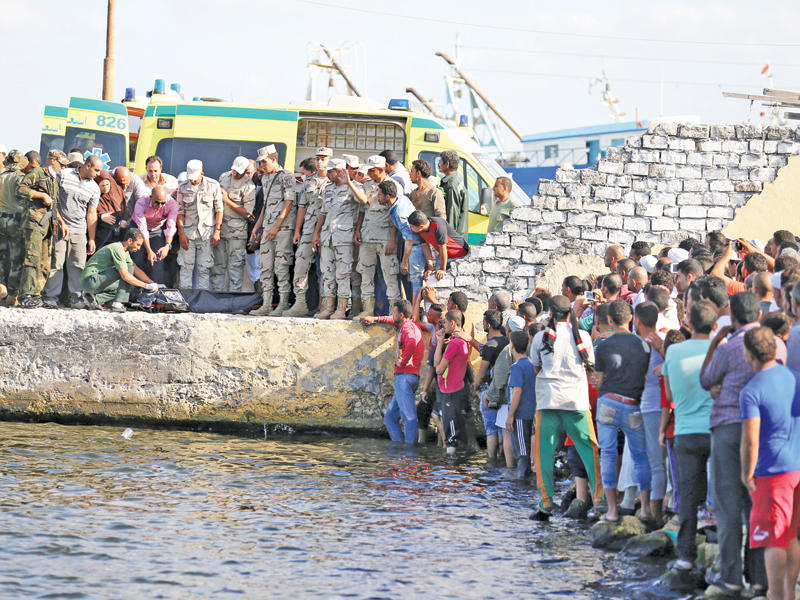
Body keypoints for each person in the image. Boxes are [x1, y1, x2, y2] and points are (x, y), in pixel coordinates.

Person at [700, 292, 784, 594]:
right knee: (757, 505)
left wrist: (715, 341)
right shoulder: (777, 345)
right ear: (759, 315)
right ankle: (760, 578)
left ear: (732, 316)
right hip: (766, 431)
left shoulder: (730, 346)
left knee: (727, 504)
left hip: (729, 427)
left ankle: (732, 576)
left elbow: (706, 380)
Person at [739, 327, 800, 600]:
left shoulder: (752, 390)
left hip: (772, 471)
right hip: (797, 464)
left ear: (748, 353)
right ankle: (789, 593)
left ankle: (775, 595)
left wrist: (747, 472)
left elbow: (750, 439)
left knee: (774, 537)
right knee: (793, 534)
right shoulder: (795, 378)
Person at [529, 295, 600, 521]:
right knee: (590, 452)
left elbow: (536, 367)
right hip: (576, 401)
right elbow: (589, 365)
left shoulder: (540, 337)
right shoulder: (584, 337)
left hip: (548, 401)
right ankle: (600, 501)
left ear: (550, 313)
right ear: (570, 313)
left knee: (544, 456)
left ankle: (546, 503)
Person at [661, 300, 716, 573]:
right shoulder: (720, 350)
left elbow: (669, 396)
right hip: (716, 429)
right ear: (714, 325)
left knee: (687, 493)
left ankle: (686, 556)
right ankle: (718, 546)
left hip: (684, 430)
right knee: (719, 490)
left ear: (690, 323)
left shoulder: (674, 353)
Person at [593, 300, 653, 523]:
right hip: (633, 403)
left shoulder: (604, 345)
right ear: (631, 319)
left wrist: (595, 378)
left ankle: (611, 509)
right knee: (640, 456)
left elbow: (598, 382)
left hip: (608, 402)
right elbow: (647, 377)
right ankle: (645, 508)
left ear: (609, 320)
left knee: (607, 455)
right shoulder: (643, 345)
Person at [360, 299, 425, 445]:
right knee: (390, 417)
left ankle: (410, 454)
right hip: (409, 377)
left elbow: (412, 342)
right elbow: (392, 320)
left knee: (409, 417)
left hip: (404, 377)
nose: (392, 315)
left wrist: (402, 361)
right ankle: (398, 448)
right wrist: (375, 319)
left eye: (394, 312)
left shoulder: (408, 329)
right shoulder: (409, 324)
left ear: (401, 315)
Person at [42, 155, 102, 309]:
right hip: (59, 227)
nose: (98, 174)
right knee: (56, 263)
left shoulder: (94, 187)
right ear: (87, 165)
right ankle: (51, 297)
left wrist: (91, 238)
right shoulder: (64, 174)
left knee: (78, 265)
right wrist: (58, 221)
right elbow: (53, 198)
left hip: (80, 230)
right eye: (96, 170)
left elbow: (91, 214)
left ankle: (75, 297)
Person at [312, 158, 366, 320]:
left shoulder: (354, 187)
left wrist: (349, 183)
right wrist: (316, 233)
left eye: (331, 171)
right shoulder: (328, 189)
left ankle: (341, 309)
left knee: (343, 274)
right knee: (327, 273)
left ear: (340, 172)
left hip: (343, 237)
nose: (327, 174)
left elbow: (364, 201)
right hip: (327, 236)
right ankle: (328, 308)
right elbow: (323, 212)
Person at [249, 145, 297, 316]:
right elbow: (265, 205)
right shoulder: (266, 178)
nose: (262, 165)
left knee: (281, 265)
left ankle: (283, 304)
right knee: (265, 266)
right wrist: (257, 226)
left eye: (264, 162)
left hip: (282, 229)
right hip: (268, 227)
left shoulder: (287, 176)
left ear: (274, 159)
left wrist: (276, 226)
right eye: (260, 163)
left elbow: (289, 203)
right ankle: (267, 304)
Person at [17, 150, 69, 308]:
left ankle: (36, 294)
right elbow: (21, 188)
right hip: (34, 223)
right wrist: (41, 196)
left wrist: (61, 221)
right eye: (61, 164)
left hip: (48, 224)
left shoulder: (53, 179)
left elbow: (53, 203)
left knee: (45, 261)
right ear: (53, 160)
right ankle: (25, 294)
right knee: (32, 258)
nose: (62, 167)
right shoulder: (38, 172)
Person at [285, 150, 331, 317]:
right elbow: (302, 207)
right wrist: (298, 230)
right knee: (300, 264)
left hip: (327, 231)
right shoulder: (308, 182)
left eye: (323, 159)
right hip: (309, 229)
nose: (320, 162)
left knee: (326, 268)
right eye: (318, 159)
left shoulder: (334, 181)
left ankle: (326, 305)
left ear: (329, 160)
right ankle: (300, 302)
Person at [354, 155, 401, 318]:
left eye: (372, 171)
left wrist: (392, 239)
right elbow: (362, 209)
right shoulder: (367, 185)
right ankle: (367, 309)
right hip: (367, 236)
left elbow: (397, 215)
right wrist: (358, 230)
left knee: (390, 277)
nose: (369, 174)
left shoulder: (394, 186)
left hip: (385, 238)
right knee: (366, 275)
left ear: (381, 169)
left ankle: (392, 312)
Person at [80, 228, 159, 312]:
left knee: (130, 286)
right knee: (128, 270)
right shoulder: (117, 248)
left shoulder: (125, 252)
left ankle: (92, 298)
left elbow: (137, 270)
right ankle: (118, 304)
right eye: (138, 244)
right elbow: (125, 276)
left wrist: (153, 284)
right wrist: (146, 286)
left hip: (93, 282)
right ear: (129, 240)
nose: (139, 248)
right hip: (90, 280)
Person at [175, 159, 223, 290]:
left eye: (195, 178)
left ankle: (202, 298)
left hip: (207, 232)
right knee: (186, 267)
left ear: (202, 173)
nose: (192, 181)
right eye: (190, 178)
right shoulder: (183, 187)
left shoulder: (213, 185)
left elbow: (219, 209)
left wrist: (217, 230)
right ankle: (186, 299)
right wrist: (181, 233)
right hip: (188, 233)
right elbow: (180, 212)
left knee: (204, 268)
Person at [212, 156, 257, 292]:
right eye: (234, 170)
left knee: (235, 269)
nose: (235, 173)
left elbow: (247, 213)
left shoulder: (249, 186)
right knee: (218, 267)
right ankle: (217, 297)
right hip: (220, 229)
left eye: (239, 171)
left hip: (237, 233)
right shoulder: (224, 177)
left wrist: (227, 200)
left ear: (245, 171)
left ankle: (233, 301)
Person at [379, 180, 426, 299]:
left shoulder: (400, 213)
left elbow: (409, 240)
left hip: (413, 249)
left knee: (413, 284)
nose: (377, 197)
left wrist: (405, 263)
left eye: (380, 194)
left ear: (388, 196)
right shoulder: (400, 199)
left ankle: (416, 313)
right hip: (409, 246)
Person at [473, 310, 509, 462]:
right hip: (505, 391)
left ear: (488, 324)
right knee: (502, 429)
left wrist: (475, 386)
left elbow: (482, 371)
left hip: (490, 390)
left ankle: (491, 461)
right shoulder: (507, 342)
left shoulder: (491, 345)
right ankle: (503, 458)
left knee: (491, 430)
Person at [434, 309, 471, 454]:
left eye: (446, 323)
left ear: (453, 323)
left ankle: (450, 469)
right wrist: (440, 342)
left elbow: (438, 369)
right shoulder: (461, 341)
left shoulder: (455, 344)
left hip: (450, 392)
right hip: (455, 390)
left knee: (451, 433)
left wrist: (442, 343)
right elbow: (436, 364)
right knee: (452, 428)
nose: (444, 326)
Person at [130, 185, 177, 286]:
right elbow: (142, 228)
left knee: (158, 260)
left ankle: (157, 288)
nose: (160, 206)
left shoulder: (172, 203)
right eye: (157, 202)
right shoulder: (141, 202)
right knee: (137, 259)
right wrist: (149, 250)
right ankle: (134, 290)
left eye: (162, 203)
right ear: (151, 197)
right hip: (138, 228)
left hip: (157, 229)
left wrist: (167, 246)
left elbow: (171, 226)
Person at [505, 330, 536, 480]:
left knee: (522, 451)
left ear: (512, 345)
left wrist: (510, 416)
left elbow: (517, 392)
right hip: (532, 412)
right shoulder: (532, 364)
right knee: (527, 448)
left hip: (521, 414)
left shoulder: (517, 367)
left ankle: (522, 482)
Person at [0, 150, 29, 305]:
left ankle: (1, 285)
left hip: (1, 219)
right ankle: (13, 295)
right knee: (16, 260)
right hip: (16, 220)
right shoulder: (20, 178)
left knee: (2, 258)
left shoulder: (1, 176)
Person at [407, 210, 469, 281]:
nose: (410, 228)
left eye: (412, 227)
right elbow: (425, 246)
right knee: (434, 276)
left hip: (459, 254)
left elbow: (443, 247)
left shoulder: (437, 225)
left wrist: (442, 269)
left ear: (421, 226)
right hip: (444, 255)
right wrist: (430, 267)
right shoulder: (420, 231)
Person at [438, 150, 468, 237]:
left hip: (453, 238)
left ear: (447, 164)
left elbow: (452, 213)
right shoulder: (455, 180)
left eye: (440, 161)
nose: (439, 164)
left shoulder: (452, 184)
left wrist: (448, 237)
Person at [94, 170, 127, 248]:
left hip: (119, 234)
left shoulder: (117, 190)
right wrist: (100, 217)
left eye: (107, 184)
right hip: (102, 236)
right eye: (102, 185)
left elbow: (125, 208)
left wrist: (124, 219)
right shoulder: (94, 194)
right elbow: (88, 213)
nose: (106, 188)